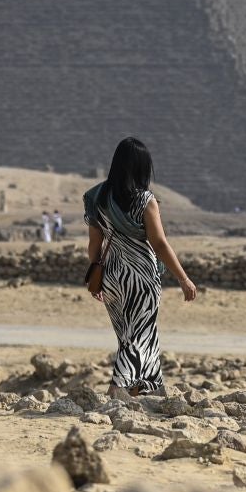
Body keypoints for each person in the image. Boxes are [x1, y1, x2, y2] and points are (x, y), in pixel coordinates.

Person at [84, 137, 198, 397]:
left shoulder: (97, 197)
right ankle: (117, 387)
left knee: (132, 335)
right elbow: (159, 243)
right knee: (140, 334)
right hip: (141, 278)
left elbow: (94, 244)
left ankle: (147, 390)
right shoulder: (145, 200)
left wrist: (96, 276)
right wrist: (183, 278)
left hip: (112, 277)